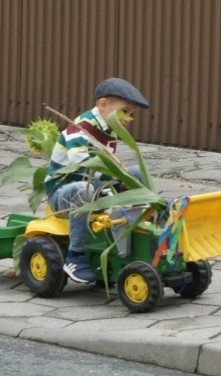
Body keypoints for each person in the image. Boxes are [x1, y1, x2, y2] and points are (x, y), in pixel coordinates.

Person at [44, 77, 151, 284]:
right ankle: (75, 256)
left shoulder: (110, 129)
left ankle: (142, 224)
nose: (128, 119)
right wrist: (117, 177)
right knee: (82, 189)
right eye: (124, 111)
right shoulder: (81, 127)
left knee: (138, 172)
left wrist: (122, 179)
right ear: (103, 104)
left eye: (131, 115)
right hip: (63, 193)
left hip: (97, 188)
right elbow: (82, 162)